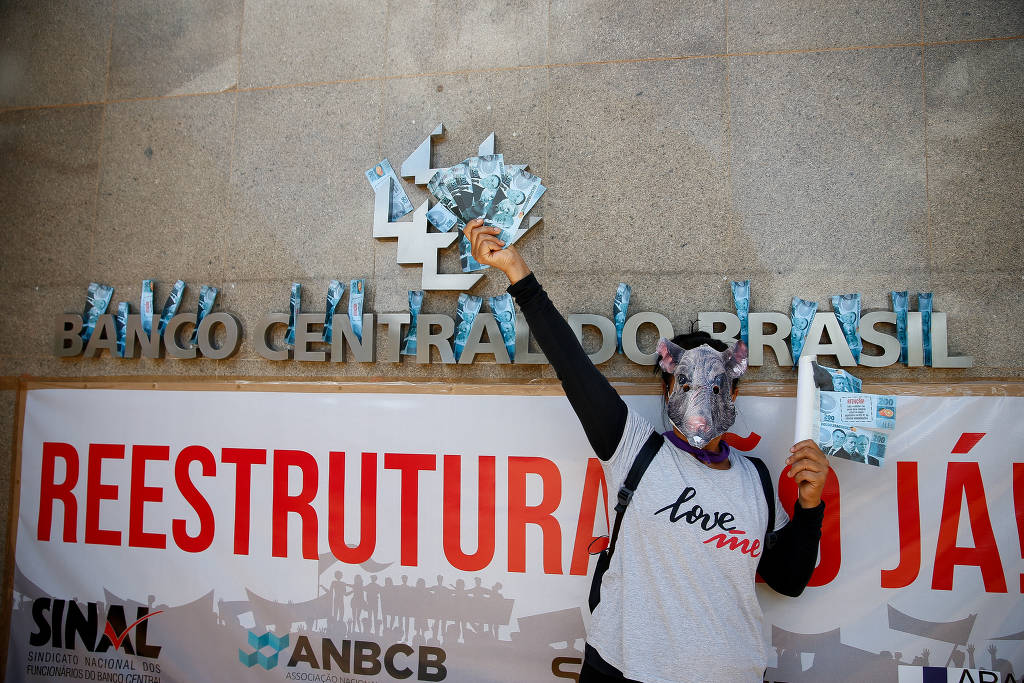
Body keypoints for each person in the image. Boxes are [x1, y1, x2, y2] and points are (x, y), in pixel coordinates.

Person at [463, 219, 828, 683]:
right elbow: (572, 365)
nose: (701, 398)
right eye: (685, 382)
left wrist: (810, 505)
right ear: (667, 390)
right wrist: (517, 272)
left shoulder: (754, 480)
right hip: (624, 670)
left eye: (716, 385)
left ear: (733, 395)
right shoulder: (635, 448)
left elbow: (787, 580)